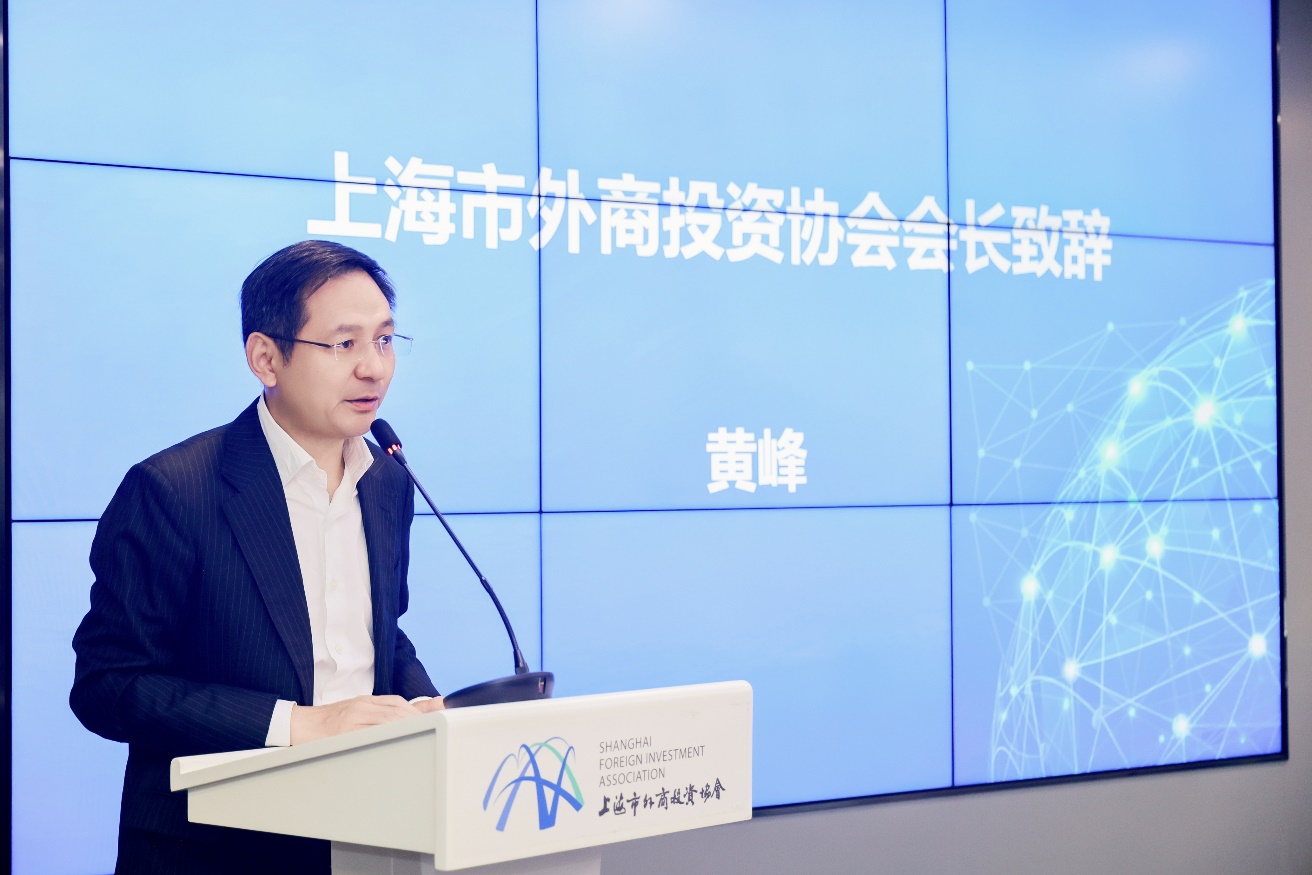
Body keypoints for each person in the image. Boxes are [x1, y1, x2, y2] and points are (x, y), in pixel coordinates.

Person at [70, 240, 443, 874]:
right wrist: (297, 725)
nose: (374, 368)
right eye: (344, 344)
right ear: (266, 358)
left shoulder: (386, 480)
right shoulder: (174, 489)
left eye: (384, 340)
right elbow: (109, 686)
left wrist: (429, 712)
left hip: (365, 832)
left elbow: (376, 637)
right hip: (215, 846)